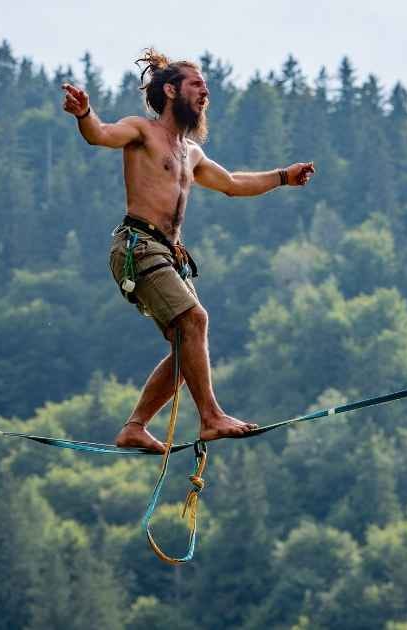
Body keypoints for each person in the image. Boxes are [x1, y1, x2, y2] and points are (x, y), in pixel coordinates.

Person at [61, 48, 315, 453]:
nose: (205, 93)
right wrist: (84, 113)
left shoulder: (189, 152)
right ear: (170, 90)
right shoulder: (141, 132)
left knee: (187, 348)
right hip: (138, 247)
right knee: (195, 321)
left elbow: (232, 183)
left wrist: (283, 176)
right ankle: (211, 417)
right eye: (197, 85)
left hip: (166, 255)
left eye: (206, 87)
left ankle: (135, 427)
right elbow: (101, 134)